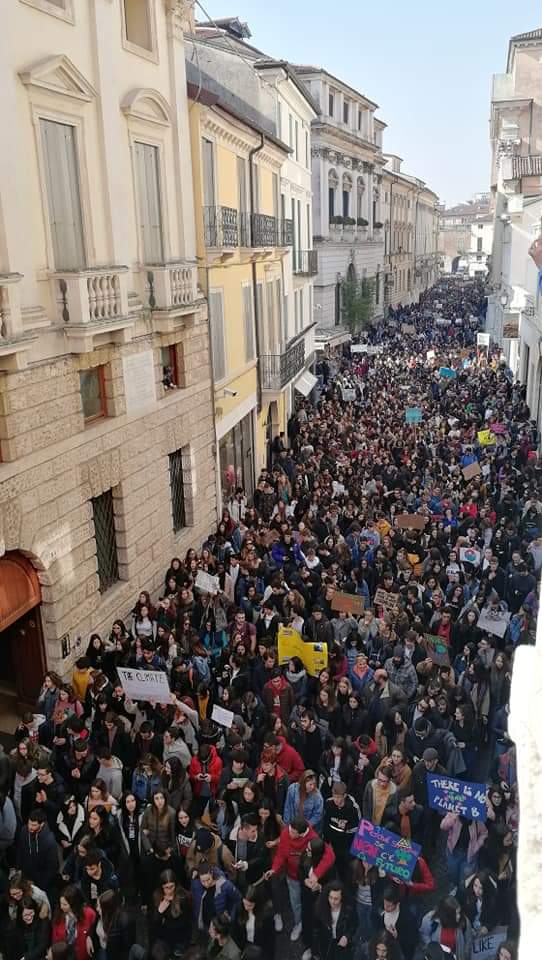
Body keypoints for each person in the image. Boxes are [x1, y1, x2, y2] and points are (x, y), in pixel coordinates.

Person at [266, 816, 335, 942]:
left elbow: (329, 855)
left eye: (293, 832)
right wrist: (274, 869)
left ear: (302, 834)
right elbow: (281, 853)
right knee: (295, 902)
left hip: (309, 879)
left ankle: (310, 927)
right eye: (290, 829)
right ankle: (299, 923)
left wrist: (316, 875)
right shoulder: (287, 832)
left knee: (309, 904)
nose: (289, 833)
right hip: (292, 876)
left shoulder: (313, 838)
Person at [51, 885, 96, 960]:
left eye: (65, 904)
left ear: (74, 904)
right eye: (60, 903)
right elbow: (54, 937)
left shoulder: (89, 914)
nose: (61, 907)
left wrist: (90, 936)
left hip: (82, 955)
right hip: (64, 955)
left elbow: (94, 930)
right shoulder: (59, 914)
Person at [232, 884, 275, 960]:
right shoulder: (239, 909)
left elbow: (270, 941)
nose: (246, 908)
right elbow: (236, 931)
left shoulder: (266, 916)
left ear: (257, 903)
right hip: (245, 945)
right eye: (245, 903)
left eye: (250, 905)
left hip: (260, 948)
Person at [316, 882, 357, 960]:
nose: (332, 901)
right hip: (327, 942)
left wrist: (346, 936)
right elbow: (316, 928)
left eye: (336, 899)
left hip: (341, 943)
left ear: (342, 897)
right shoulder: (321, 907)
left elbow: (354, 924)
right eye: (330, 897)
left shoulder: (349, 909)